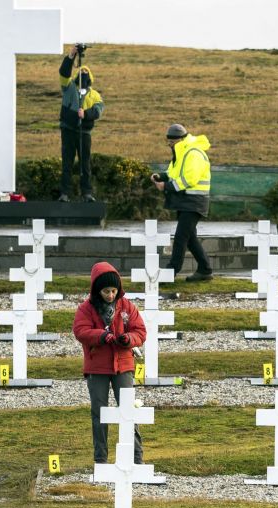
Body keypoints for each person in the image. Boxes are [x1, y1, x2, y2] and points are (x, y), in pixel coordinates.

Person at [72, 262, 147, 464]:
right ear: (97, 290)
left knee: (128, 412)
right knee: (99, 413)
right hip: (97, 368)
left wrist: (128, 339)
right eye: (106, 291)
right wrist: (102, 336)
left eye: (114, 290)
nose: (111, 295)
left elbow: (140, 332)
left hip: (123, 365)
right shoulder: (86, 309)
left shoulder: (127, 306)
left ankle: (137, 459)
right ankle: (101, 460)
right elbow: (80, 331)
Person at [150, 124, 214, 281]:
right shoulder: (183, 152)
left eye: (171, 143)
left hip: (194, 202)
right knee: (189, 238)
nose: (169, 146)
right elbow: (173, 173)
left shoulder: (193, 153)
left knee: (180, 237)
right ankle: (205, 270)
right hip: (188, 201)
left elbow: (189, 179)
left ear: (179, 140)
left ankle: (170, 272)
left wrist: (166, 186)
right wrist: (162, 177)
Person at [58, 45, 104, 203]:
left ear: (90, 77)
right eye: (81, 72)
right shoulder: (69, 87)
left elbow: (98, 111)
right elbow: (64, 72)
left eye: (86, 73)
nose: (83, 74)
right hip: (68, 130)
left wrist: (86, 114)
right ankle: (64, 193)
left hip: (84, 133)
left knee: (85, 165)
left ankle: (87, 193)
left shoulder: (95, 95)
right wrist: (71, 56)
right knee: (67, 163)